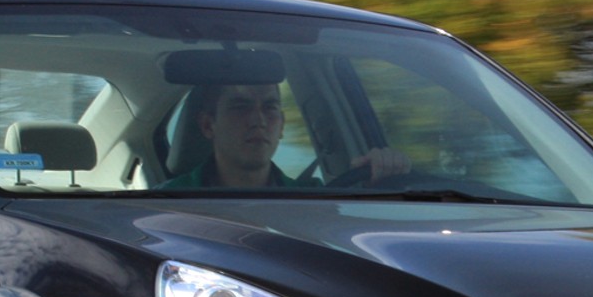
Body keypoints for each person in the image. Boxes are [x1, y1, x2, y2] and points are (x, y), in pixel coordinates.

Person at [161, 82, 408, 188]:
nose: (258, 120)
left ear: (281, 126)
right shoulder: (164, 203)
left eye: (269, 108)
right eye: (240, 107)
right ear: (207, 125)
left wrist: (379, 184)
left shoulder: (315, 198)